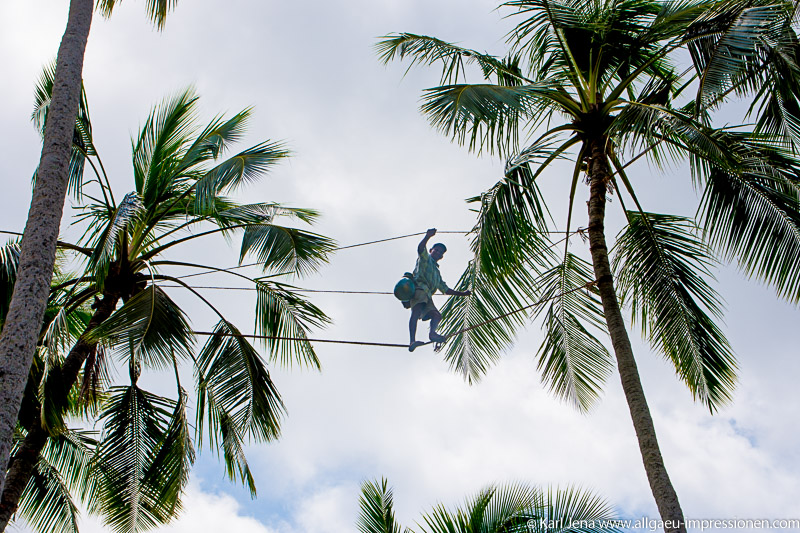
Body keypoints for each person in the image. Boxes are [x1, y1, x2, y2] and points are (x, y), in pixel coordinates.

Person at [407, 228, 471, 352]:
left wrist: (463, 294)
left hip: (428, 296)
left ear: (442, 256)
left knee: (436, 315)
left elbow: (445, 289)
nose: (438, 253)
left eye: (440, 252)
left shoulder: (436, 272)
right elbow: (420, 249)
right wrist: (427, 236)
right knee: (416, 311)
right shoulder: (425, 258)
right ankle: (412, 341)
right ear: (431, 250)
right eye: (436, 250)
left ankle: (432, 334)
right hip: (419, 289)